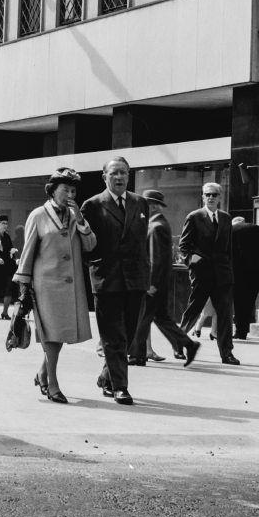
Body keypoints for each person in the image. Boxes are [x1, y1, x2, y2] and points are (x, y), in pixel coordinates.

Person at [13, 168, 96, 404]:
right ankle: (53, 383)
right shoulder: (38, 215)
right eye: (65, 189)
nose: (70, 194)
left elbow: (90, 245)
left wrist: (80, 219)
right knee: (50, 335)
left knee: (58, 334)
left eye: (73, 190)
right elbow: (28, 252)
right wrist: (23, 286)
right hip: (44, 285)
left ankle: (42, 374)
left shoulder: (74, 217)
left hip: (71, 286)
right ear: (52, 190)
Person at [80, 157, 147, 404]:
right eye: (114, 173)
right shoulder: (92, 205)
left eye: (124, 173)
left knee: (128, 334)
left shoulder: (140, 203)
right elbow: (85, 246)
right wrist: (98, 269)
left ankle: (106, 377)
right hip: (107, 281)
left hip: (136, 280)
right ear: (104, 176)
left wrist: (146, 276)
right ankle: (121, 387)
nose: (119, 177)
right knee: (113, 335)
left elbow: (141, 244)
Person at [135, 189, 199, 365]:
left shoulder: (156, 226)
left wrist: (151, 284)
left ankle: (137, 355)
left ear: (153, 206)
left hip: (154, 283)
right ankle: (188, 344)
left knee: (142, 318)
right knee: (160, 317)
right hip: (159, 282)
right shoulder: (156, 224)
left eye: (145, 204)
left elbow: (156, 260)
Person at [179, 182, 239, 365]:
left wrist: (229, 269)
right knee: (193, 310)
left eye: (214, 194)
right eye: (208, 194)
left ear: (220, 197)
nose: (211, 197)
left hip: (222, 275)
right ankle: (178, 343)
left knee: (225, 315)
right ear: (203, 197)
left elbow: (229, 248)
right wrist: (193, 263)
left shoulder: (226, 218)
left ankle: (227, 353)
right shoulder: (194, 217)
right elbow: (184, 247)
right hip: (202, 274)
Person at [231, 215, 259, 341]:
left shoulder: (230, 231)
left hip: (236, 271)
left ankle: (239, 331)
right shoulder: (255, 228)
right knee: (249, 301)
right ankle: (243, 330)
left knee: (238, 301)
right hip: (255, 272)